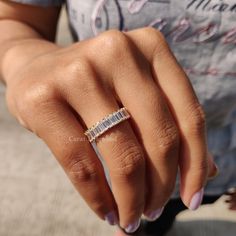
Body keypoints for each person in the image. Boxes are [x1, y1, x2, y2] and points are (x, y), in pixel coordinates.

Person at [0, 0, 235, 235]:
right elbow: (14, 19)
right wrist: (25, 61)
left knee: (169, 214)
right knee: (133, 206)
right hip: (119, 162)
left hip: (218, 166)